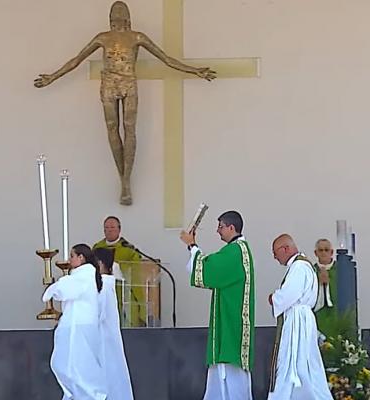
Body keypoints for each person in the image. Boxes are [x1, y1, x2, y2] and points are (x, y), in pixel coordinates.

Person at [34, 1, 215, 205]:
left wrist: (194, 70)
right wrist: (52, 77)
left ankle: (126, 182)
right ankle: (123, 180)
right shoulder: (103, 38)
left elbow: (166, 59)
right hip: (109, 83)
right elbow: (76, 60)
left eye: (121, 14)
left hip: (128, 82)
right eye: (114, 15)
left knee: (129, 129)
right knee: (112, 129)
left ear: (128, 19)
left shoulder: (137, 37)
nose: (118, 18)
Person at [179, 210, 255, 400]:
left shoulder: (235, 251)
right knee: (222, 376)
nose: (217, 231)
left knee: (231, 375)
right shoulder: (236, 250)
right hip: (228, 319)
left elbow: (208, 269)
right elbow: (211, 269)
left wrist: (192, 245)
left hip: (231, 323)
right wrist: (192, 247)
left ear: (231, 227)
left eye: (220, 226)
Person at [268, 234, 331, 400]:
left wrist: (274, 298)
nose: (275, 257)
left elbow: (290, 294)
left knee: (294, 364)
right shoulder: (303, 265)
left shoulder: (299, 267)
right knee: (304, 363)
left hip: (297, 321)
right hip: (302, 319)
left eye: (276, 252)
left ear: (286, 249)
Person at [43, 244, 107, 400]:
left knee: (77, 365)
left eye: (72, 256)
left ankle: (89, 396)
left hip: (78, 326)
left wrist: (53, 289)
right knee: (70, 364)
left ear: (81, 258)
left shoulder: (84, 275)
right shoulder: (83, 276)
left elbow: (65, 290)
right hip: (80, 325)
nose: (69, 259)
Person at [94, 247, 134, 400]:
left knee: (107, 380)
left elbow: (96, 314)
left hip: (104, 342)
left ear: (99, 264)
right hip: (105, 341)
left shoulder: (103, 286)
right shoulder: (104, 285)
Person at [93, 216, 146, 326]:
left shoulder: (128, 249)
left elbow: (135, 269)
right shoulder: (97, 248)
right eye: (106, 227)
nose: (109, 230)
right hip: (103, 290)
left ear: (119, 229)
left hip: (124, 289)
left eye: (112, 227)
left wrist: (119, 268)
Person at [312, 238, 337, 337]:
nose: (323, 253)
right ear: (315, 253)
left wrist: (328, 283)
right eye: (320, 250)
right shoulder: (311, 270)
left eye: (326, 250)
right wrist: (319, 282)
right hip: (318, 315)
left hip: (336, 313)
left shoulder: (340, 269)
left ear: (331, 252)